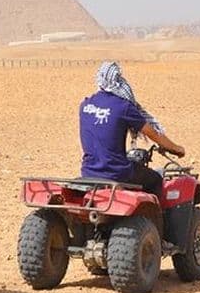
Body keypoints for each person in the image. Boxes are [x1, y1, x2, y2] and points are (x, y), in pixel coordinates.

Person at [79, 61, 185, 197]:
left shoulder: (85, 104)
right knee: (155, 179)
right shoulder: (123, 107)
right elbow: (154, 134)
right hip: (116, 173)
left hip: (88, 172)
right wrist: (177, 149)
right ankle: (153, 218)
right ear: (118, 80)